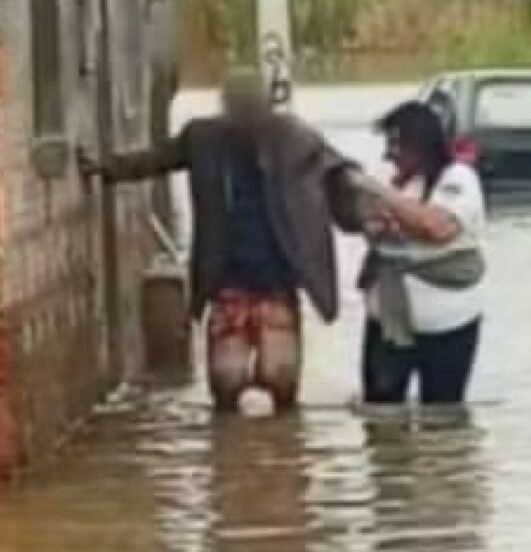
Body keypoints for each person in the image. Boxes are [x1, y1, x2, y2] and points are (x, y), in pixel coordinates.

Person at [80, 67, 371, 413]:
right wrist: (107, 169)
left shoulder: (295, 138)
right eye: (239, 105)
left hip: (277, 281)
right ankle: (234, 453)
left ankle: (282, 454)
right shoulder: (203, 139)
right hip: (227, 282)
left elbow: (337, 171)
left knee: (279, 378)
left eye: (252, 105)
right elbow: (156, 159)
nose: (246, 114)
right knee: (227, 380)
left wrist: (362, 204)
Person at [357, 101, 487, 405]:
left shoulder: (458, 179)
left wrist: (386, 198)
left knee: (443, 419)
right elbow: (365, 223)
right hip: (386, 322)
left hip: (449, 325)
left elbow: (437, 227)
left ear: (420, 145)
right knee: (381, 414)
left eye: (396, 145)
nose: (388, 154)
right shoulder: (388, 177)